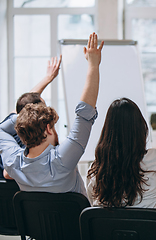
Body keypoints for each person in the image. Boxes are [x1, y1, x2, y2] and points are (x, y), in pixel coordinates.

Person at [0, 32, 104, 196]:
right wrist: (93, 65)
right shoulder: (63, 161)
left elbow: (3, 128)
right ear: (48, 129)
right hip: (72, 222)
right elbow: (85, 112)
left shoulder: (14, 163)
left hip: (34, 223)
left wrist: (28, 117)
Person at [86, 79, 156, 209]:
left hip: (110, 230)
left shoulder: (96, 172)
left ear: (107, 132)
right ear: (141, 129)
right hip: (149, 230)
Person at [0, 56, 62, 180]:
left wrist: (48, 78)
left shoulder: (12, 121)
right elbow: (8, 173)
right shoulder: (29, 136)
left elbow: (26, 103)